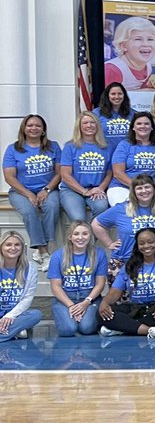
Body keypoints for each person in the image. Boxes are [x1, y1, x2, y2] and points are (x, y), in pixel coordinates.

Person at [98, 227, 155, 338]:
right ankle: (149, 330)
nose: (146, 246)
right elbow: (114, 292)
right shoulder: (129, 266)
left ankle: (123, 328)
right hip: (135, 308)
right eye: (142, 243)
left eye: (150, 242)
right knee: (101, 314)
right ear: (137, 246)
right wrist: (105, 303)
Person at [3, 114, 61, 269]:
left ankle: (42, 248)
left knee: (53, 207)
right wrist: (28, 194)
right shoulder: (13, 149)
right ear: (24, 128)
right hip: (20, 191)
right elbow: (9, 177)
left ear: (43, 130)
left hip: (48, 189)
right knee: (29, 211)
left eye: (37, 126)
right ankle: (43, 251)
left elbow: (60, 173)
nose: (33, 128)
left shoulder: (53, 146)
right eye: (30, 125)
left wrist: (47, 189)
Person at [92, 174, 155, 279]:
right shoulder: (121, 209)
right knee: (117, 295)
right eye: (139, 188)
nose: (144, 191)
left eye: (147, 187)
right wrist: (109, 243)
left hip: (154, 263)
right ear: (133, 192)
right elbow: (96, 224)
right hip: (124, 262)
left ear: (154, 188)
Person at [47, 221, 106, 337]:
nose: (80, 238)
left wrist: (86, 302)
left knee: (87, 328)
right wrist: (71, 306)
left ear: (90, 236)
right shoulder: (58, 255)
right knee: (68, 330)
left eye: (85, 234)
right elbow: (55, 286)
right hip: (65, 299)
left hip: (89, 299)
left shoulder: (99, 253)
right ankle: (69, 318)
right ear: (70, 236)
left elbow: (100, 283)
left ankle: (84, 318)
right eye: (76, 234)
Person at [58, 112, 112, 223]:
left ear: (97, 125)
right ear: (79, 126)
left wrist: (101, 188)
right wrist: (84, 191)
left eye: (92, 122)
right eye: (85, 123)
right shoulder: (70, 147)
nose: (89, 125)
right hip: (71, 190)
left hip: (96, 189)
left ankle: (91, 239)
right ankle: (82, 239)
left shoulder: (107, 146)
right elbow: (65, 175)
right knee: (78, 218)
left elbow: (109, 173)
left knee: (101, 208)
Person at [109, 111, 155, 206]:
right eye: (139, 123)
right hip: (122, 187)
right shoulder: (124, 145)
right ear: (133, 127)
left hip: (150, 189)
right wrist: (138, 187)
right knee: (126, 209)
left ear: (152, 127)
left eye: (146, 123)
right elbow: (118, 173)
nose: (143, 126)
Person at [103, 16, 155, 92]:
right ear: (123, 46)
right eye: (138, 39)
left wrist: (149, 87)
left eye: (150, 39)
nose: (146, 44)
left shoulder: (148, 67)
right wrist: (143, 91)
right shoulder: (111, 70)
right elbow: (105, 100)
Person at [0, 232, 41, 341]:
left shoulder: (31, 268)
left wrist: (9, 316)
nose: (13, 248)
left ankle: (7, 331)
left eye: (17, 245)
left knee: (36, 315)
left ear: (22, 248)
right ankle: (14, 331)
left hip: (15, 316)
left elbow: (27, 298)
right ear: (1, 247)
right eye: (8, 244)